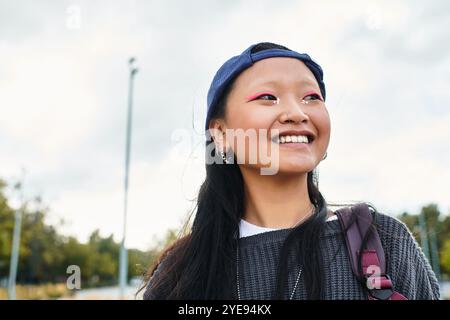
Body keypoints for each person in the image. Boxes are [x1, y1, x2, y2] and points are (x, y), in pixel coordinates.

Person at [142, 42, 440, 300]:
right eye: (268, 97)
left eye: (311, 97)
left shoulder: (384, 241)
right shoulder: (180, 274)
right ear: (220, 133)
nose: (298, 113)